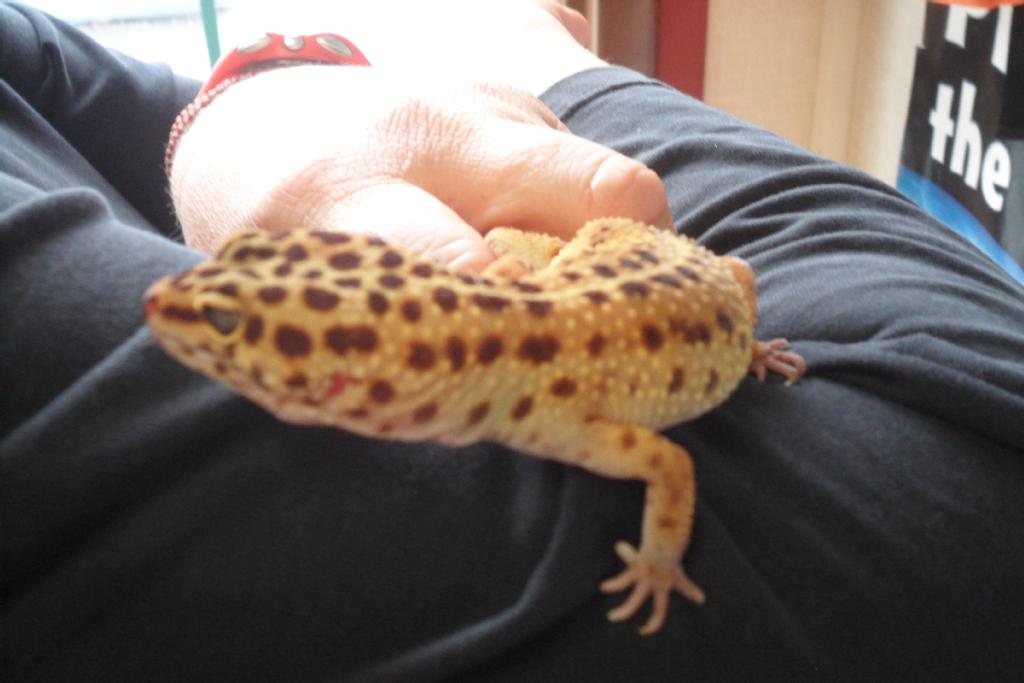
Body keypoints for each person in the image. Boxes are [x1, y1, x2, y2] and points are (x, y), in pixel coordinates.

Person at [2, 1, 1022, 680]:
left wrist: (659, 556)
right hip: (614, 249)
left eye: (240, 330)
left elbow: (667, 466)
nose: (171, 309)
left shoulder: (554, 412)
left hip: (671, 280)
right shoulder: (506, 376)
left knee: (726, 274)